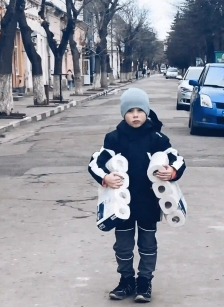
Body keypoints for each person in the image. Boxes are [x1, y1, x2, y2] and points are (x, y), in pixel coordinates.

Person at [87, 88, 187, 303]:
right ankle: (126, 280)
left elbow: (178, 159)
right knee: (123, 244)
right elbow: (94, 163)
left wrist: (171, 172)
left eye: (140, 110)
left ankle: (144, 281)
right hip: (120, 204)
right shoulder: (113, 139)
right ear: (123, 113)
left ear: (147, 112)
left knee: (147, 243)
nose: (135, 115)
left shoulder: (157, 138)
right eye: (130, 111)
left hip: (148, 202)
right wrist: (106, 177)